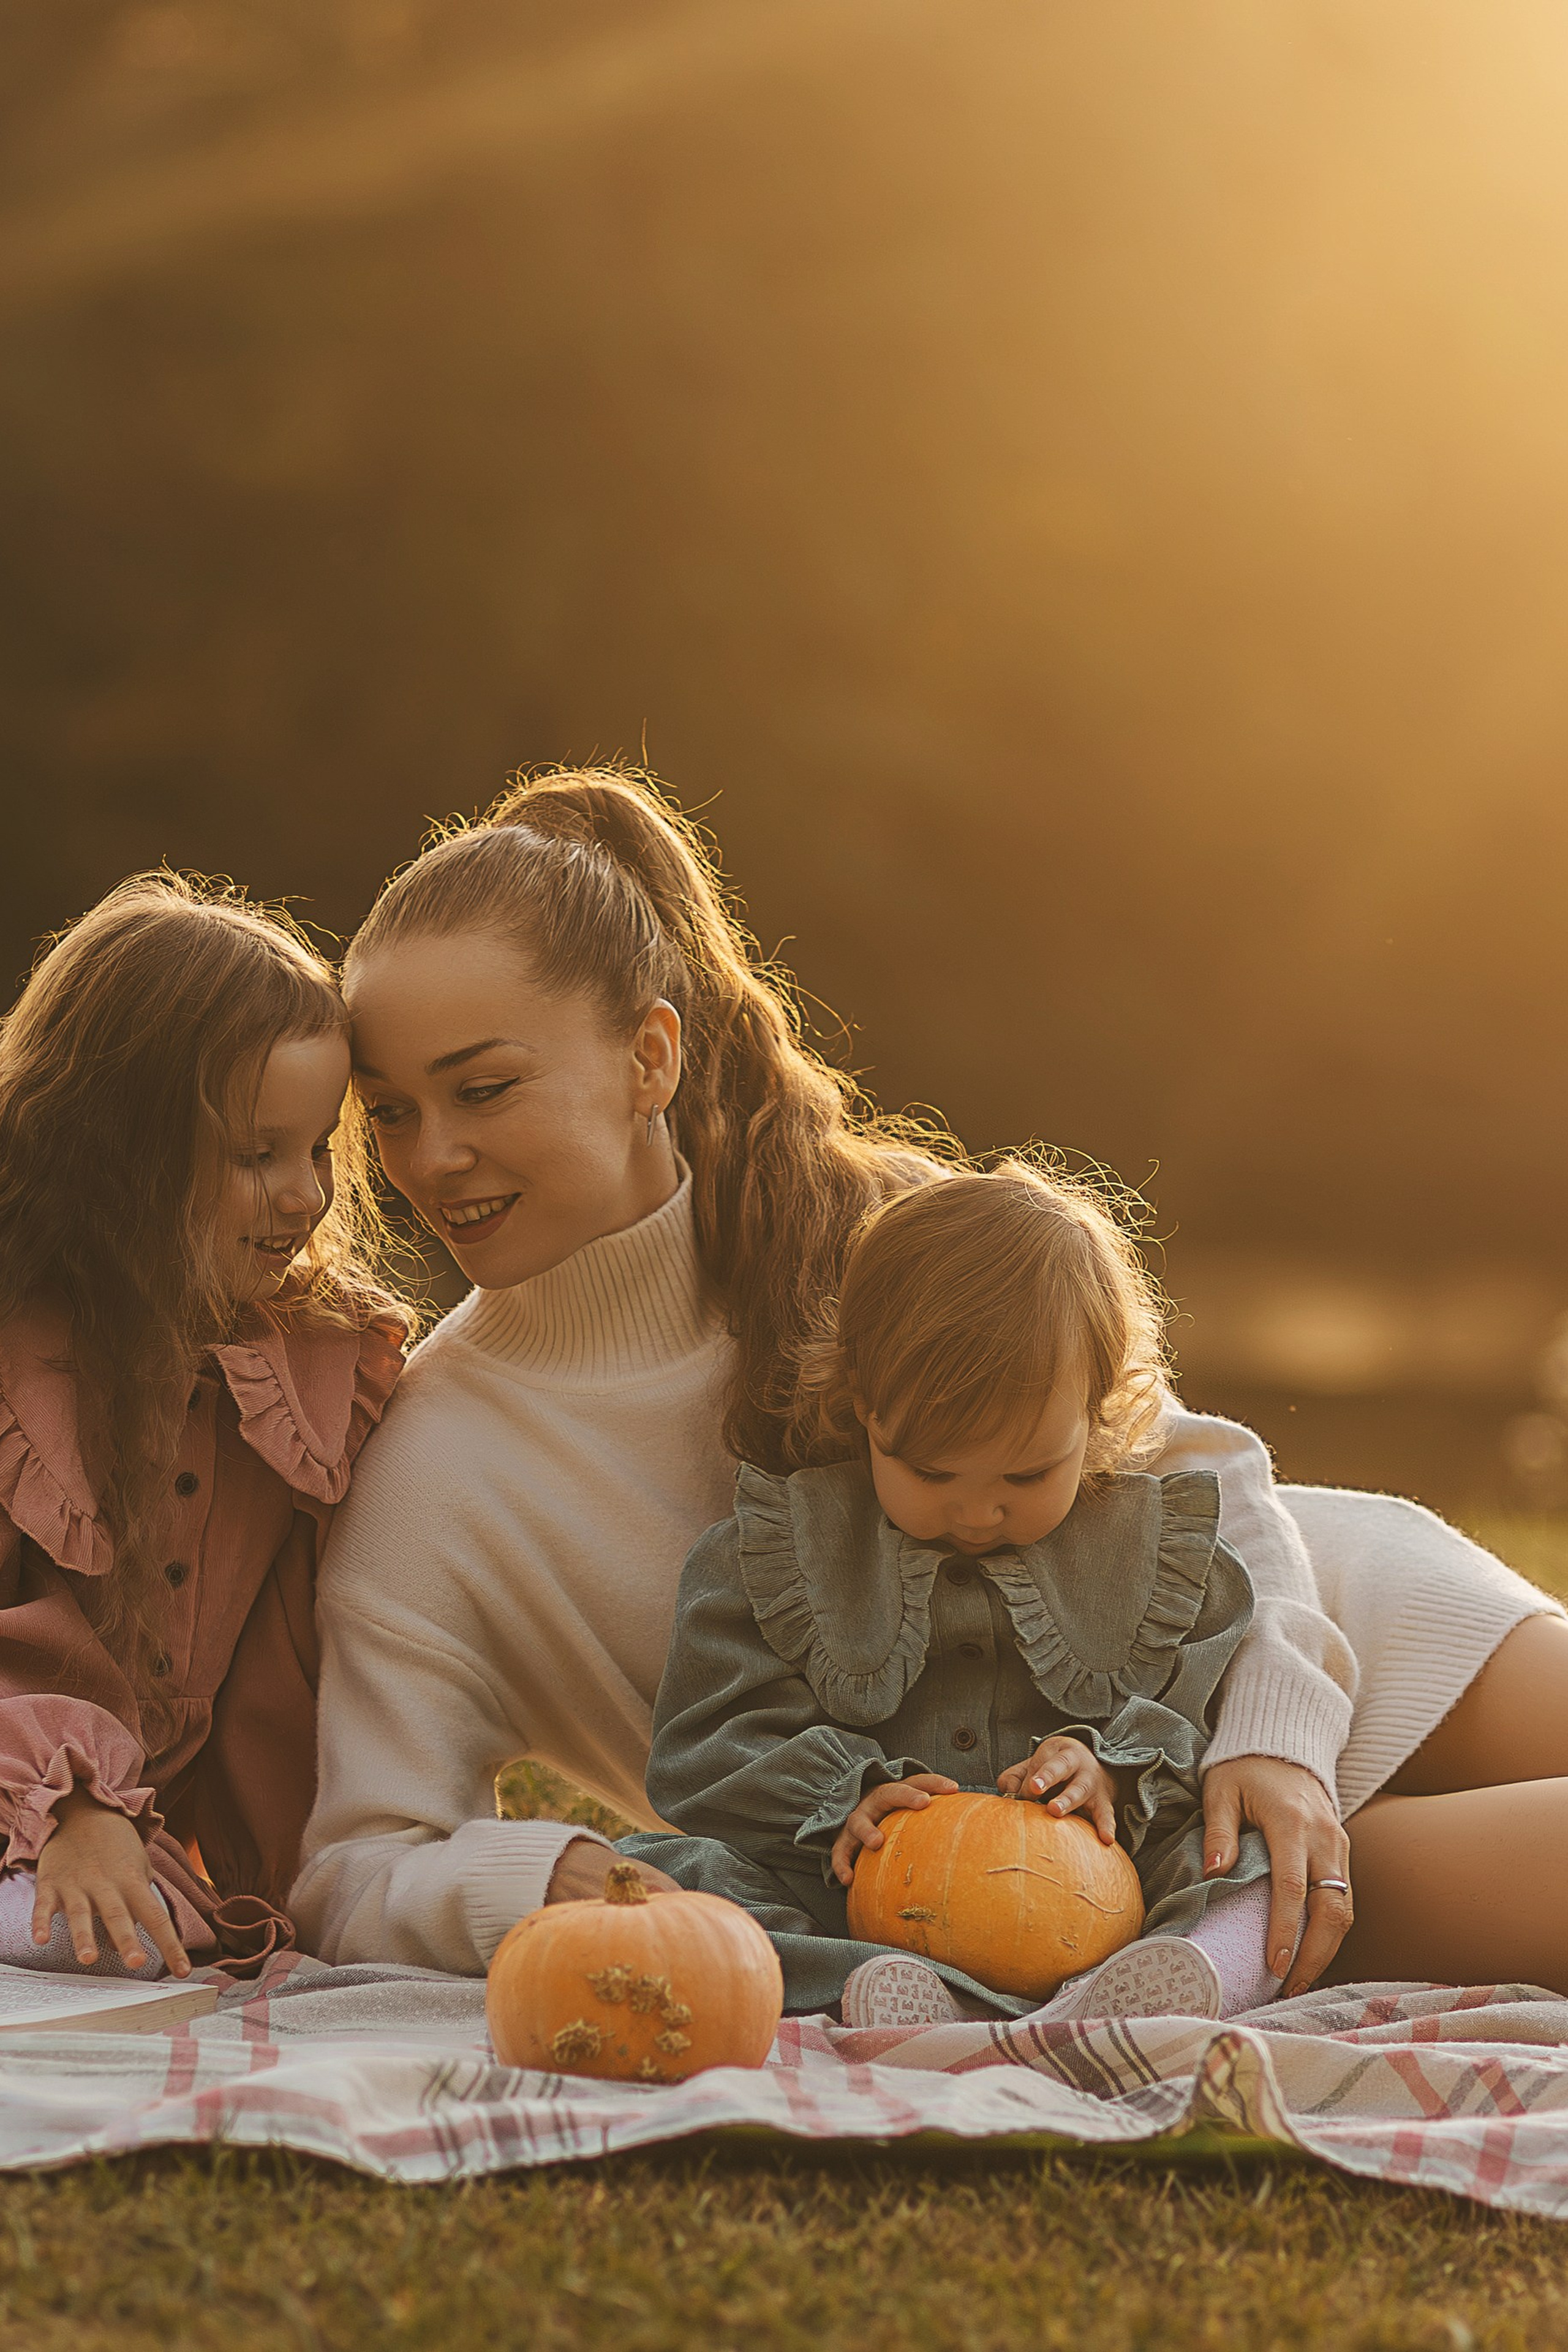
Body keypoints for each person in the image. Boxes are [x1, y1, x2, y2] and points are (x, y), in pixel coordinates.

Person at [292, 768, 1564, 1998]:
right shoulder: (436, 1467)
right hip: (1127, 1855)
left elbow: (1188, 1465)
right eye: (390, 1111)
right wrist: (561, 1875)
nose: (432, 1156)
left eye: (484, 1088)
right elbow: (356, 1867)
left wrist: (1278, 1729)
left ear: (650, 1059)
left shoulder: (876, 1221)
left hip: (1321, 1625)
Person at [632, 1163, 1281, 2026]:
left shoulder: (1156, 1555)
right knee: (683, 1875)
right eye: (930, 1471)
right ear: (862, 1401)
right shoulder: (782, 1552)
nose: (977, 1510)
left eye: (1027, 1472)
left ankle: (1190, 1977)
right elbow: (705, 1744)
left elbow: (1199, 1712)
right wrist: (841, 1800)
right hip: (855, 1906)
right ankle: (868, 1989)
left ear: (1098, 1406)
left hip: (1099, 1909)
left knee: (1247, 1860)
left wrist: (1112, 1770)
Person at [0, 875, 407, 1980]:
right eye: (255, 1155)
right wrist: (71, 1799)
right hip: (22, 1798)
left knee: (146, 1942)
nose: (306, 1195)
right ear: (113, 1153)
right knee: (54, 1929)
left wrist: (300, 1878)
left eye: (319, 1148)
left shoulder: (300, 1378)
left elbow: (278, 1685)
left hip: (124, 1843)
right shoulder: (18, 1368)